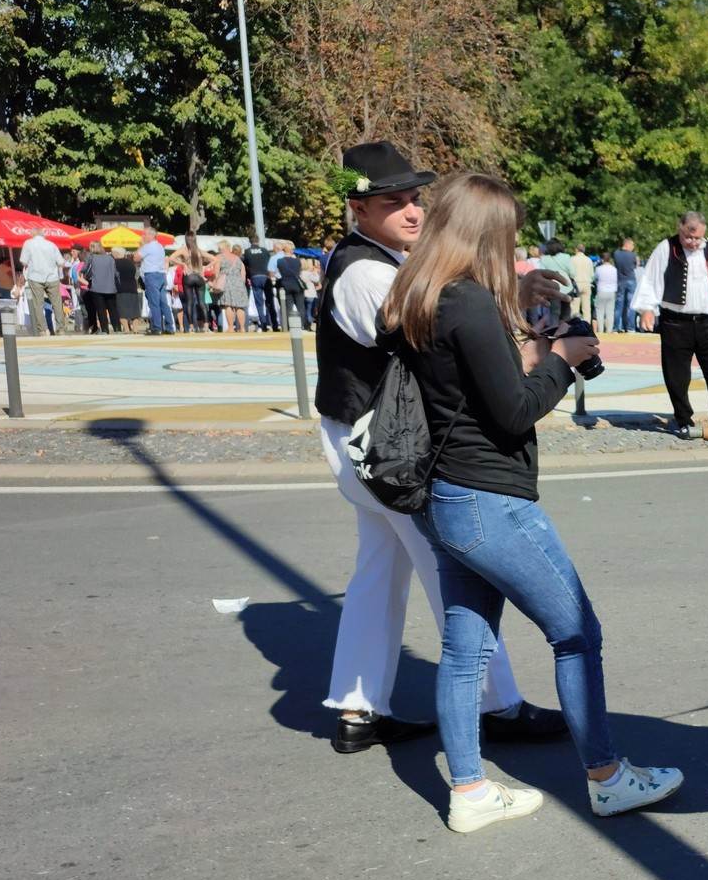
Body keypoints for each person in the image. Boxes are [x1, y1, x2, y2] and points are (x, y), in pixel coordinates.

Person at [382, 172, 683, 831]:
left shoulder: (421, 295)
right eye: (509, 235)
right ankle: (607, 777)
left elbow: (471, 383)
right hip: (491, 499)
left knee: (467, 646)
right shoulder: (470, 306)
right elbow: (515, 410)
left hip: (444, 494)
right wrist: (564, 359)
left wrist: (522, 314)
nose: (515, 245)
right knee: (576, 633)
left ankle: (469, 792)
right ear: (488, 235)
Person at [313, 140, 559, 754]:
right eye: (393, 202)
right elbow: (431, 332)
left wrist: (513, 298)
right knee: (455, 571)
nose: (413, 211)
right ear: (358, 208)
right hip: (388, 449)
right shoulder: (365, 272)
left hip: (368, 441)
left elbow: (434, 314)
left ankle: (357, 707)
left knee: (380, 569)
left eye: (415, 198)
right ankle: (497, 704)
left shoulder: (375, 262)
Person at [634, 211, 708, 439]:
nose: (693, 242)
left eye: (697, 238)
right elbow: (650, 279)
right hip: (676, 323)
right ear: (680, 229)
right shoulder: (666, 248)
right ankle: (684, 420)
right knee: (677, 376)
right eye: (689, 237)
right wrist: (647, 308)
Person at [19, 228, 65, 337]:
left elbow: (23, 261)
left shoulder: (28, 243)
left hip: (35, 277)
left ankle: (43, 330)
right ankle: (61, 329)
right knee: (57, 304)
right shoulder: (51, 244)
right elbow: (61, 262)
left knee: (38, 305)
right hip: (52, 277)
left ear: (33, 234)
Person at [82, 242, 120, 334]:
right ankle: (117, 328)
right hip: (111, 287)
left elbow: (85, 269)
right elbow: (116, 273)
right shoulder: (110, 258)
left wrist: (86, 276)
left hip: (97, 287)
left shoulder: (91, 257)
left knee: (101, 309)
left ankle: (105, 330)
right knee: (113, 309)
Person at [138, 232, 171, 334]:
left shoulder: (148, 247)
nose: (144, 236)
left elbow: (136, 257)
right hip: (160, 275)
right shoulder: (160, 246)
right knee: (163, 303)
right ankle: (170, 327)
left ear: (151, 235)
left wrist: (141, 247)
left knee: (154, 303)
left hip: (151, 276)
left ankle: (157, 327)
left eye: (145, 234)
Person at [243, 237, 276, 331]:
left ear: (250, 242)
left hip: (255, 277)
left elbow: (246, 264)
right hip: (266, 277)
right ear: (258, 241)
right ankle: (274, 324)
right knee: (270, 301)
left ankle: (264, 324)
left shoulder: (247, 251)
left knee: (259, 303)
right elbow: (270, 263)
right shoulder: (265, 250)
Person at [275, 242, 309, 330]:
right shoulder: (297, 261)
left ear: (283, 250)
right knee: (300, 306)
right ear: (292, 251)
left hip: (286, 285)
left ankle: (290, 326)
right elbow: (299, 272)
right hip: (297, 285)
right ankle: (301, 325)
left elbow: (278, 273)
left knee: (288, 307)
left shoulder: (280, 261)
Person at [215, 243, 249, 333]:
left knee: (228, 305)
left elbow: (216, 272)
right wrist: (241, 283)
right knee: (240, 306)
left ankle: (230, 328)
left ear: (221, 249)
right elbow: (243, 273)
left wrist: (215, 283)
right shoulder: (237, 258)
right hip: (239, 283)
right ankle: (242, 328)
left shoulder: (219, 257)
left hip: (227, 283)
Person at [612, 237, 638, 332]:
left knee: (619, 305)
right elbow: (635, 265)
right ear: (627, 244)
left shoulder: (616, 254)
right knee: (630, 305)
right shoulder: (632, 255)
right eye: (632, 245)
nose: (633, 247)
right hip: (631, 279)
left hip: (620, 280)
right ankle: (630, 327)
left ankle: (616, 327)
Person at [113, 248, 141, 331]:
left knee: (122, 311)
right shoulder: (131, 263)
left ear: (116, 254)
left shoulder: (114, 263)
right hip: (132, 288)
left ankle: (126, 329)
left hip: (120, 289)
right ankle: (135, 329)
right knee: (134, 311)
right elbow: (136, 275)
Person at [566, 243, 595, 324]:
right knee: (586, 307)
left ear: (576, 249)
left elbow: (570, 273)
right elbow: (592, 275)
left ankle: (575, 325)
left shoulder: (572, 259)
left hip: (576, 284)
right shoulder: (588, 260)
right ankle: (587, 325)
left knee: (575, 307)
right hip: (587, 283)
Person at [593, 251, 618, 333]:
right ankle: (609, 330)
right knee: (610, 312)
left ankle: (600, 330)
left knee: (600, 312)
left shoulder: (598, 269)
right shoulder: (614, 269)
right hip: (612, 292)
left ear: (602, 259)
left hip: (601, 291)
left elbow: (595, 279)